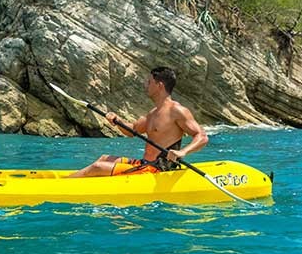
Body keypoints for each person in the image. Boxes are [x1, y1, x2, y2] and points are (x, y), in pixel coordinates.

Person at [67, 66, 208, 177]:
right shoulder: (153, 113)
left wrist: (182, 152)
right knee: (104, 158)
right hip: (144, 164)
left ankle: (64, 184)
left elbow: (202, 136)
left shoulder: (177, 111)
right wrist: (117, 121)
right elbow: (133, 130)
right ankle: (77, 178)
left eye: (149, 82)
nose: (146, 85)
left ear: (159, 85)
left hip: (157, 169)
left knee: (98, 167)